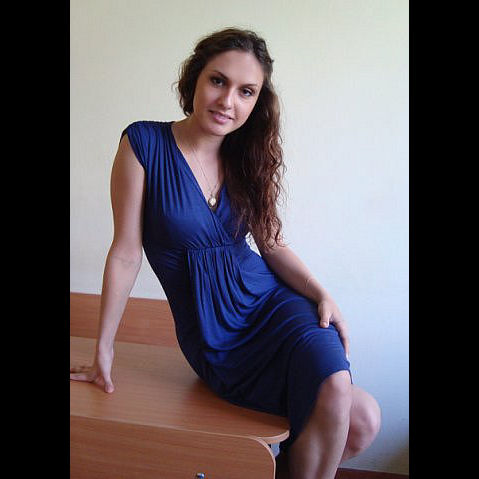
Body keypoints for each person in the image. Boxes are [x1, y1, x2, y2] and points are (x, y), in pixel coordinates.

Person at [70, 27, 381, 479]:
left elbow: (271, 244)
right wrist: (104, 349)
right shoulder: (143, 144)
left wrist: (321, 293)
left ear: (257, 101)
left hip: (275, 307)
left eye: (246, 91)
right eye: (218, 81)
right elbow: (125, 254)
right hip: (215, 334)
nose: (228, 101)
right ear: (194, 79)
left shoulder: (247, 156)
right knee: (355, 414)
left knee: (360, 414)